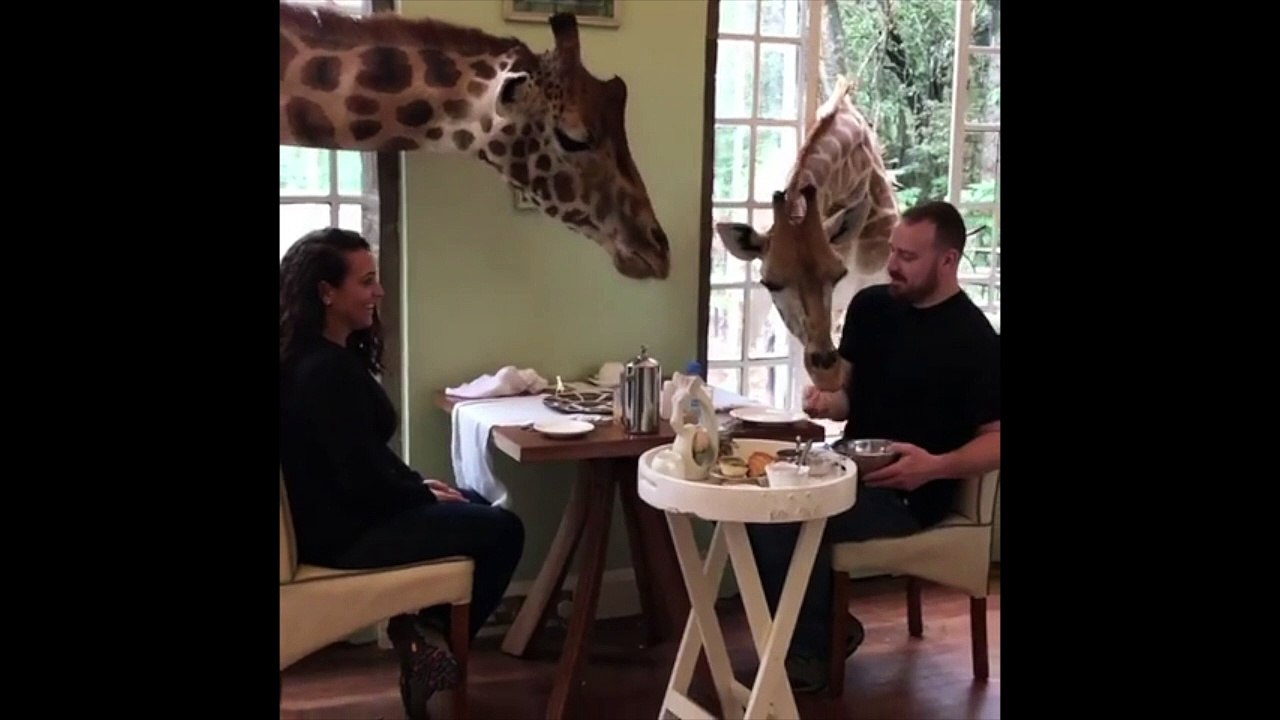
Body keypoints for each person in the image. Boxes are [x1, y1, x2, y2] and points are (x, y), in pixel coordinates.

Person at [746, 200, 1001, 693]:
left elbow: (998, 440)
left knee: (780, 517)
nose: (892, 265)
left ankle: (811, 650)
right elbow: (849, 402)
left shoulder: (977, 341)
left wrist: (936, 467)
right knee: (751, 491)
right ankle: (823, 631)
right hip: (845, 467)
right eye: (892, 250)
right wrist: (826, 400)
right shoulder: (873, 307)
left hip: (909, 492)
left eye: (908, 256)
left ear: (947, 262)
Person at [279, 227, 525, 720]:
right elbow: (361, 479)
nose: (379, 292)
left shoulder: (321, 356)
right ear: (327, 292)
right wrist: (421, 497)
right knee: (502, 528)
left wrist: (420, 487)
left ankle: (422, 640)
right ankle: (428, 643)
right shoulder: (325, 372)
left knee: (474, 501)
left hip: (341, 518)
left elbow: (364, 458)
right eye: (367, 282)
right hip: (344, 534)